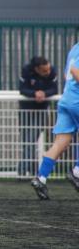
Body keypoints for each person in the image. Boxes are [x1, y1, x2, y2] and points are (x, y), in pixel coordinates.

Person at [31, 43, 79, 199]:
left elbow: (67, 74)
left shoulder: (74, 48)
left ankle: (41, 178)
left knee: (60, 142)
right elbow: (75, 72)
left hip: (66, 99)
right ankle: (77, 172)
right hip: (77, 100)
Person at [18, 56, 58, 177]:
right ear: (37, 69)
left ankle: (22, 170)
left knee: (31, 139)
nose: (48, 72)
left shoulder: (52, 72)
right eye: (45, 71)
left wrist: (44, 94)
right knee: (26, 140)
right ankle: (33, 169)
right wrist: (34, 94)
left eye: (49, 69)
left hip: (41, 110)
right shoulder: (26, 71)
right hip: (25, 109)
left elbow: (54, 89)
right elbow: (22, 89)